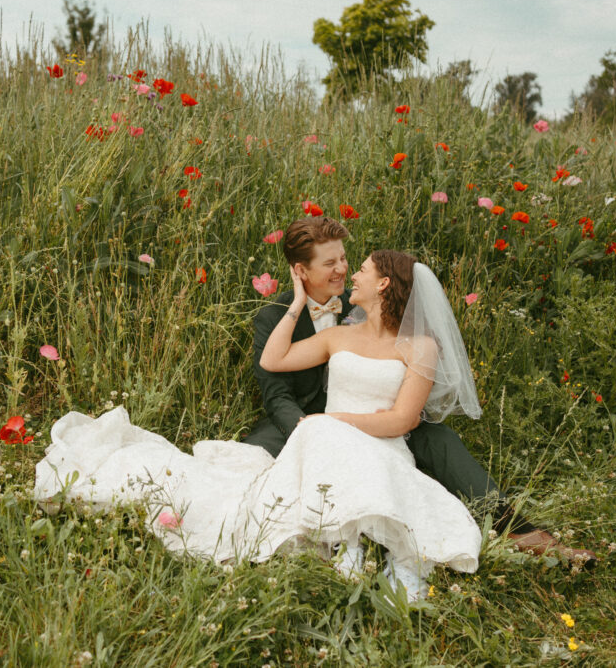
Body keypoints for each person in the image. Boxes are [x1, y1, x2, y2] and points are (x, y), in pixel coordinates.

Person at [35, 250, 487, 600]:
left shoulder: (419, 346)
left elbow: (403, 419)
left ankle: (359, 543)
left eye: (363, 270)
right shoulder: (338, 336)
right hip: (325, 443)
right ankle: (349, 542)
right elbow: (274, 360)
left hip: (378, 444)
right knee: (309, 447)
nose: (353, 275)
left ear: (384, 283)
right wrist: (295, 304)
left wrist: (330, 421)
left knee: (321, 435)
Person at [242, 217, 596, 567]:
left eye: (346, 260)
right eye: (330, 263)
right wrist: (313, 430)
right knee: (249, 467)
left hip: (379, 418)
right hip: (307, 420)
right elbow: (276, 395)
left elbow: (404, 359)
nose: (344, 270)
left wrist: (389, 415)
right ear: (301, 271)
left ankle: (516, 528)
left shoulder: (364, 301)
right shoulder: (274, 318)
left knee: (439, 440)